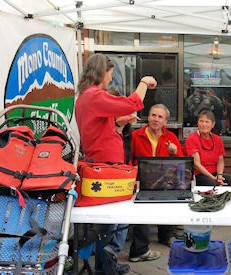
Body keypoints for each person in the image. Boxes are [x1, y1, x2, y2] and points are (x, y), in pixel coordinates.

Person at [74, 53, 158, 274]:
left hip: (102, 162)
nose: (111, 78)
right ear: (101, 72)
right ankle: (106, 268)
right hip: (107, 165)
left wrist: (119, 121)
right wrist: (143, 82)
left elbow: (98, 129)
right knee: (110, 223)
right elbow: (133, 102)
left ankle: (107, 264)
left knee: (108, 222)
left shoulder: (85, 97)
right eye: (110, 74)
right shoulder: (94, 95)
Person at [129, 104, 182, 256]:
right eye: (153, 115)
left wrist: (174, 153)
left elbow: (180, 164)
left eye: (160, 117)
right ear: (148, 117)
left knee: (170, 193)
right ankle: (140, 247)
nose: (156, 119)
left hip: (163, 180)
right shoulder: (136, 135)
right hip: (140, 180)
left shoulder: (171, 137)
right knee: (141, 204)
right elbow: (129, 159)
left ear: (165, 121)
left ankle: (166, 235)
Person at [185, 110, 231, 186]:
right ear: (197, 123)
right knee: (212, 184)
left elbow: (220, 161)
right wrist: (213, 178)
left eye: (207, 122)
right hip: (199, 174)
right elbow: (197, 164)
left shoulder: (218, 139)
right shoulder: (191, 139)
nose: (203, 124)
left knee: (230, 182)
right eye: (201, 121)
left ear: (213, 124)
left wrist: (220, 176)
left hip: (215, 172)